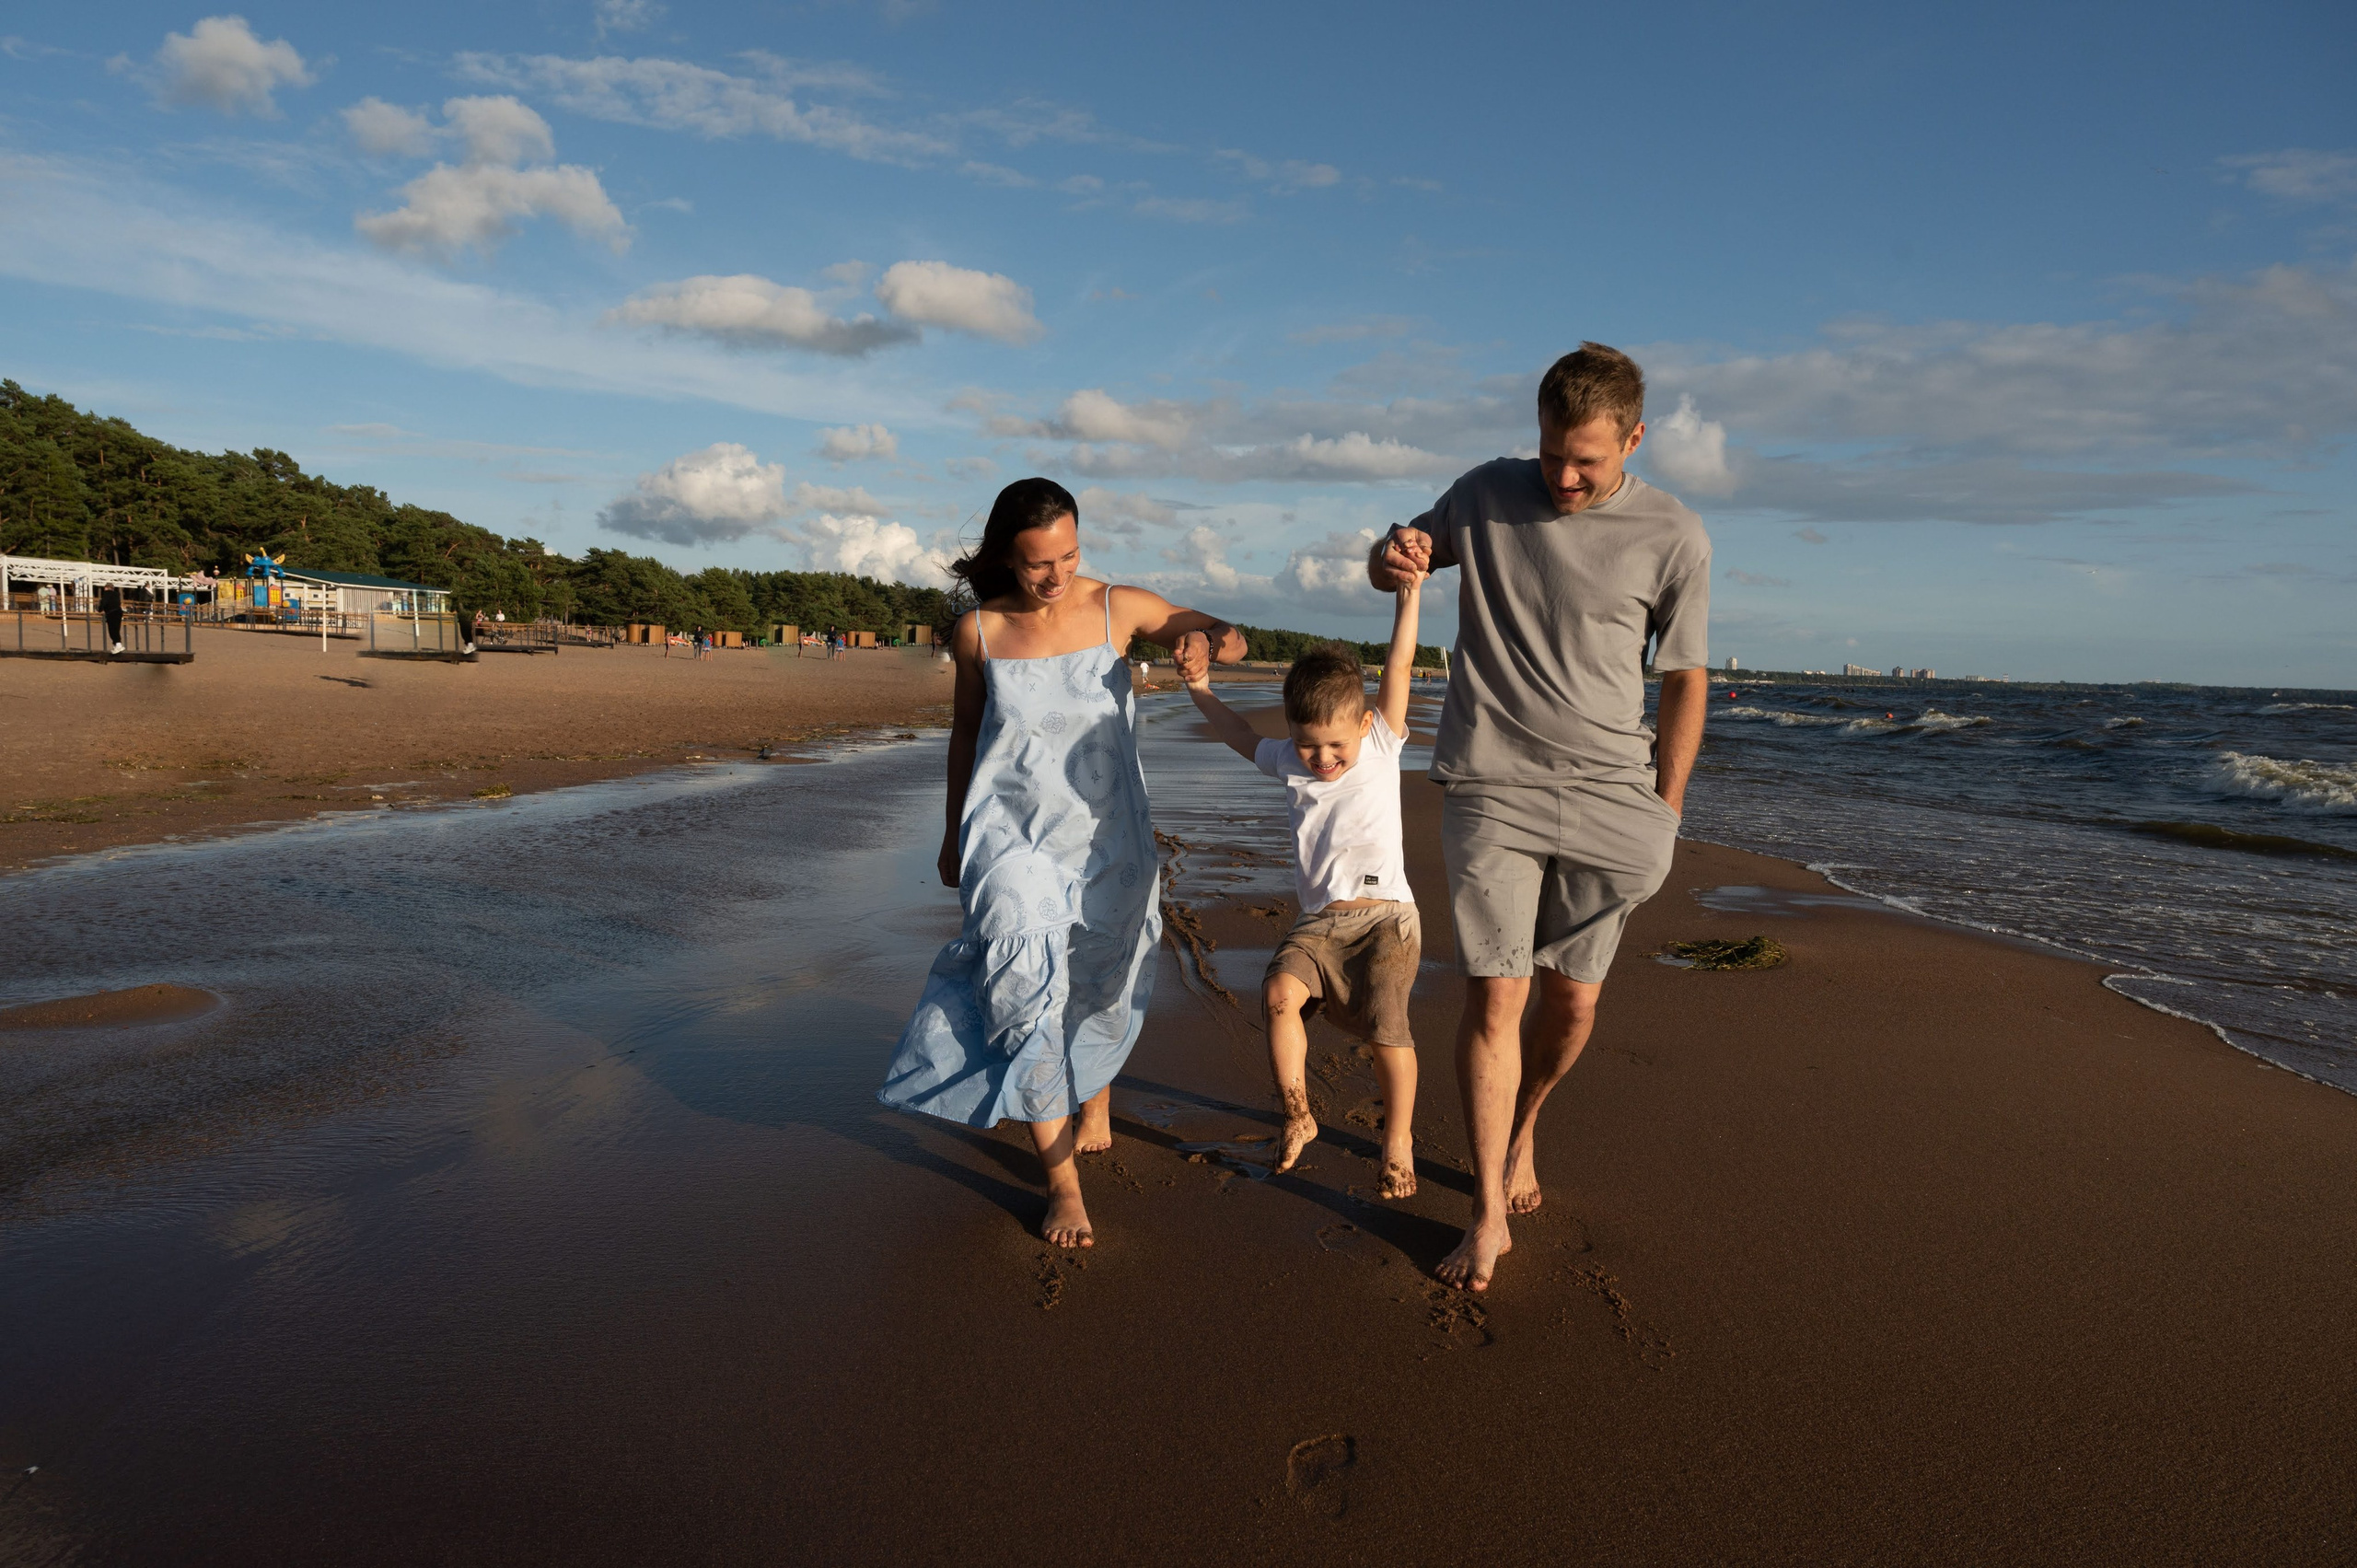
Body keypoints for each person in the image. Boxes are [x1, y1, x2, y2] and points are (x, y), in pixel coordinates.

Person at [1367, 342, 1712, 1292]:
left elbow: (1685, 678)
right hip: (1491, 786)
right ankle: (1484, 1212)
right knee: (1497, 996)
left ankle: (1525, 1123)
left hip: (1612, 795)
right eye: (1552, 450)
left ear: (1632, 439)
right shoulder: (1483, 492)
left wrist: (1667, 810)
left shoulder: (1674, 532)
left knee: (1574, 1002)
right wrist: (1389, 553)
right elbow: (1396, 558)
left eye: (1586, 460)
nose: (1562, 474)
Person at [879, 477, 1246, 1249]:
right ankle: (1063, 1187)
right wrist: (953, 835)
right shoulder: (977, 630)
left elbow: (1221, 628)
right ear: (1006, 558)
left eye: (1070, 554)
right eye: (1038, 563)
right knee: (1021, 985)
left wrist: (1209, 641)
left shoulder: (1118, 606)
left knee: (1102, 978)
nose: (1057, 575)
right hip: (1009, 840)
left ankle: (1094, 1092)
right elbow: (964, 736)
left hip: (1109, 839)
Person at [1175, 573, 1428, 1197]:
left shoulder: (1379, 741)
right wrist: (1201, 689)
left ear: (1363, 724)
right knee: (1278, 994)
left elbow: (1399, 661)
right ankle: (1298, 1114)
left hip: (1386, 920)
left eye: (1334, 744)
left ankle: (1398, 1140)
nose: (1322, 759)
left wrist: (1410, 594)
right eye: (1308, 744)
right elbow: (1237, 733)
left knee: (1387, 1029)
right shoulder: (1288, 759)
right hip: (1319, 923)